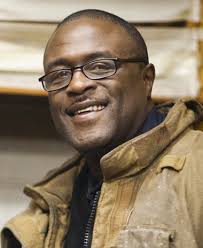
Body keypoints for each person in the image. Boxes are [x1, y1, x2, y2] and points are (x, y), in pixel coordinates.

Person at [1, 9, 203, 248]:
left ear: (146, 79)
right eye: (59, 74)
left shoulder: (196, 171)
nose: (76, 85)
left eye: (100, 66)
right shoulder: (46, 210)